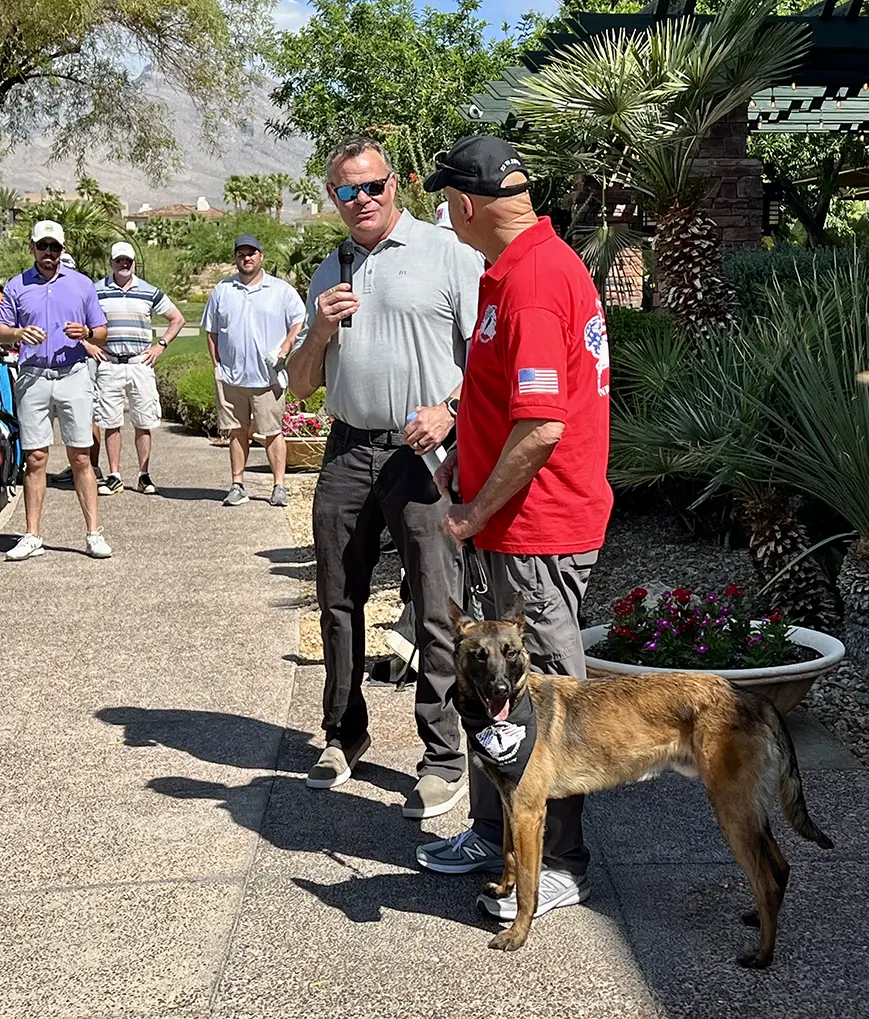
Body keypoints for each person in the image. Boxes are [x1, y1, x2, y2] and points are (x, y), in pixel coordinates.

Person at [415, 137, 613, 921]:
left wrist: (473, 510)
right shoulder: (519, 269)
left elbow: (540, 425)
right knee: (488, 683)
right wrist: (460, 456)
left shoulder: (531, 283)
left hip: (536, 526)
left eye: (445, 203)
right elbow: (503, 398)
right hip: (515, 520)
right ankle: (497, 831)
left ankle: (557, 860)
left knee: (542, 697)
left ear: (464, 205)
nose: (447, 215)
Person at [289, 135, 482, 819]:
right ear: (333, 196)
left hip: (422, 456)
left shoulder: (448, 255)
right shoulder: (329, 269)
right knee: (337, 600)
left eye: (373, 186)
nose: (362, 199)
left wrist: (450, 411)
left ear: (394, 184)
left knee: (436, 606)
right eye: (348, 190)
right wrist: (319, 330)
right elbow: (300, 385)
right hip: (347, 450)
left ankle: (443, 755)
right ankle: (343, 733)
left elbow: (487, 359)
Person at [0, 220, 113, 560]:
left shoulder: (81, 285)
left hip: (72, 375)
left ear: (63, 250)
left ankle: (93, 534)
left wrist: (87, 334)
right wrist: (18, 334)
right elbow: (1, 329)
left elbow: (102, 331)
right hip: (33, 377)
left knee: (81, 456)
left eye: (54, 247)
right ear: (32, 247)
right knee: (35, 458)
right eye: (42, 246)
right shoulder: (17, 286)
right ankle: (32, 536)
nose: (48, 253)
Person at [202, 234, 305, 507]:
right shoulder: (223, 290)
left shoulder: (281, 290)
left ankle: (279, 486)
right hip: (232, 378)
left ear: (261, 256)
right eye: (241, 254)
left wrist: (286, 345)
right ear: (236, 258)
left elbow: (299, 320)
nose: (246, 258)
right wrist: (217, 366)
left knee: (272, 432)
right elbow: (212, 332)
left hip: (268, 378)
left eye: (251, 253)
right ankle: (237, 485)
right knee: (237, 431)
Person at [93, 242, 185, 496]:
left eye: (128, 261)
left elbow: (177, 319)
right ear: (111, 263)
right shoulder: (96, 291)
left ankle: (144, 475)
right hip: (110, 363)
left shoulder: (148, 291)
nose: (124, 264)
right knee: (110, 422)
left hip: (139, 363)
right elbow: (76, 320)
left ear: (133, 262)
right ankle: (114, 476)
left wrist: (160, 346)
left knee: (143, 421)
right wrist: (88, 346)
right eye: (119, 260)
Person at [51, 252, 105, 485]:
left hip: (81, 362)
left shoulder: (82, 289)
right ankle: (77, 466)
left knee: (87, 414)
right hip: (57, 362)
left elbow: (95, 328)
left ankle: (91, 466)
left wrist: (86, 341)